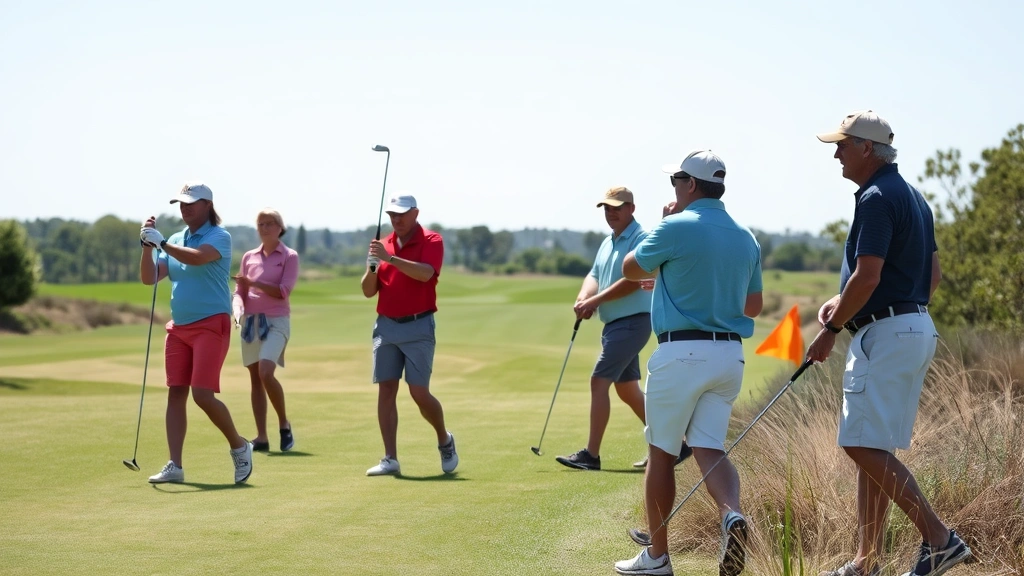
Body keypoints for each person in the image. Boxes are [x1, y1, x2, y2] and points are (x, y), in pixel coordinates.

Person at [809, 111, 971, 576]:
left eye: (842, 145)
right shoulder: (914, 197)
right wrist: (852, 305)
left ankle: (939, 539)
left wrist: (834, 327)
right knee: (872, 444)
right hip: (914, 327)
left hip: (888, 333)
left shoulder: (877, 197)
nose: (835, 153)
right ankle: (866, 561)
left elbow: (869, 274)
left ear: (866, 149)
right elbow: (930, 276)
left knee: (859, 445)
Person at [616, 151, 763, 576]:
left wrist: (667, 224)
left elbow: (630, 268)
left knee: (661, 453)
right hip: (728, 356)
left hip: (681, 352)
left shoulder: (675, 224)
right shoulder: (746, 236)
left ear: (691, 185)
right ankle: (732, 513)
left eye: (677, 180)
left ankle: (658, 558)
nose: (674, 187)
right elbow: (752, 305)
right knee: (709, 447)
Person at [555, 187, 692, 471]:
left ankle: (591, 455)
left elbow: (633, 280)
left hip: (633, 322)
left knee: (598, 380)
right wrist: (584, 298)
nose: (611, 212)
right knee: (627, 390)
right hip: (615, 324)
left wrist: (595, 300)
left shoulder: (641, 239)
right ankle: (677, 446)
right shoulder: (609, 242)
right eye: (607, 208)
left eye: (617, 207)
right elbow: (595, 274)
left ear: (632, 208)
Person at [139, 182, 253, 485]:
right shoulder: (175, 238)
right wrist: (147, 247)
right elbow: (150, 278)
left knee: (202, 395)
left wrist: (162, 244)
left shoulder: (219, 236)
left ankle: (239, 446)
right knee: (176, 392)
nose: (184, 207)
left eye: (191, 202)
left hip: (211, 324)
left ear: (207, 205)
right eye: (181, 203)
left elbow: (197, 257)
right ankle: (174, 465)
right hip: (179, 327)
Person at [360, 193, 458, 476]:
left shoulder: (432, 240)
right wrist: (373, 266)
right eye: (392, 214)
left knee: (419, 393)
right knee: (386, 389)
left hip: (418, 326)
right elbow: (368, 291)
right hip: (386, 326)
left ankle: (444, 439)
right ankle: (390, 458)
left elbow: (426, 274)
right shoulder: (382, 245)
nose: (396, 219)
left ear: (416, 213)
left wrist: (391, 258)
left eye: (402, 213)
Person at [232, 208, 300, 453]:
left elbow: (283, 290)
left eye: (269, 223)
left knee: (266, 371)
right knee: (255, 379)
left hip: (277, 321)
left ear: (280, 227)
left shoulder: (289, 256)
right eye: (260, 224)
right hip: (250, 322)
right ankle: (261, 437)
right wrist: (237, 309)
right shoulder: (249, 257)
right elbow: (239, 293)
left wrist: (255, 283)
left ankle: (284, 423)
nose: (264, 228)